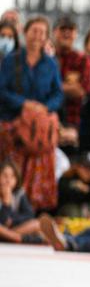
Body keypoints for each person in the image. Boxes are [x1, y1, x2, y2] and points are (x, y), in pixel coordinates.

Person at [0, 16, 64, 212]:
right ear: (25, 33)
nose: (37, 36)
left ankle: (33, 212)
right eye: (33, 31)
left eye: (42, 32)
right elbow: (1, 90)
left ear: (47, 37)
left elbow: (58, 93)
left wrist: (44, 108)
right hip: (15, 125)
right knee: (11, 169)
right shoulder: (11, 61)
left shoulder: (51, 64)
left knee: (39, 172)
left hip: (39, 131)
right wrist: (25, 104)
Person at [53, 15, 90, 134]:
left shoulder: (83, 59)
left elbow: (81, 91)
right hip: (45, 117)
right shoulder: (45, 57)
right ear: (54, 32)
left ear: (76, 34)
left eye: (70, 30)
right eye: (62, 29)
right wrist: (68, 88)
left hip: (72, 122)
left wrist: (52, 88)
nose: (66, 33)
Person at [0, 160, 41, 244]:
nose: (8, 180)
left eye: (12, 176)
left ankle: (9, 238)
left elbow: (29, 214)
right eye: (4, 175)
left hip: (11, 230)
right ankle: (17, 238)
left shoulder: (19, 193)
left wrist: (13, 221)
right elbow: (2, 222)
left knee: (36, 224)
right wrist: (6, 203)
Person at [56, 151, 90, 218]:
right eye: (85, 167)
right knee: (73, 211)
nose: (88, 172)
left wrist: (88, 190)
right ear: (78, 166)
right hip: (69, 210)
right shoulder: (68, 177)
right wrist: (75, 186)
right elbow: (61, 196)